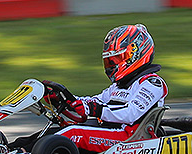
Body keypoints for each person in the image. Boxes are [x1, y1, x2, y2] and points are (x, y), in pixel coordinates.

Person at [32, 23, 167, 141]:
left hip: (128, 138)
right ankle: (22, 150)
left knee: (72, 133)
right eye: (109, 61)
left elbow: (130, 113)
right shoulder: (120, 86)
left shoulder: (152, 83)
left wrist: (93, 109)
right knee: (54, 133)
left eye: (116, 59)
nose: (111, 65)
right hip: (109, 132)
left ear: (135, 54)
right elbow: (96, 101)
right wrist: (69, 100)